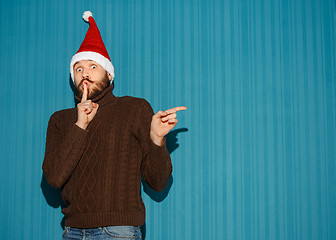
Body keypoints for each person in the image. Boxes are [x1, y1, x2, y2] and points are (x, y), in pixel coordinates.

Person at [42, 11, 186, 240]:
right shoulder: (60, 120)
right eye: (78, 69)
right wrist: (80, 125)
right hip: (72, 232)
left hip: (119, 232)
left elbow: (158, 183)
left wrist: (157, 141)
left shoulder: (134, 109)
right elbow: (54, 178)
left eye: (92, 67)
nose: (85, 74)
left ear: (109, 74)